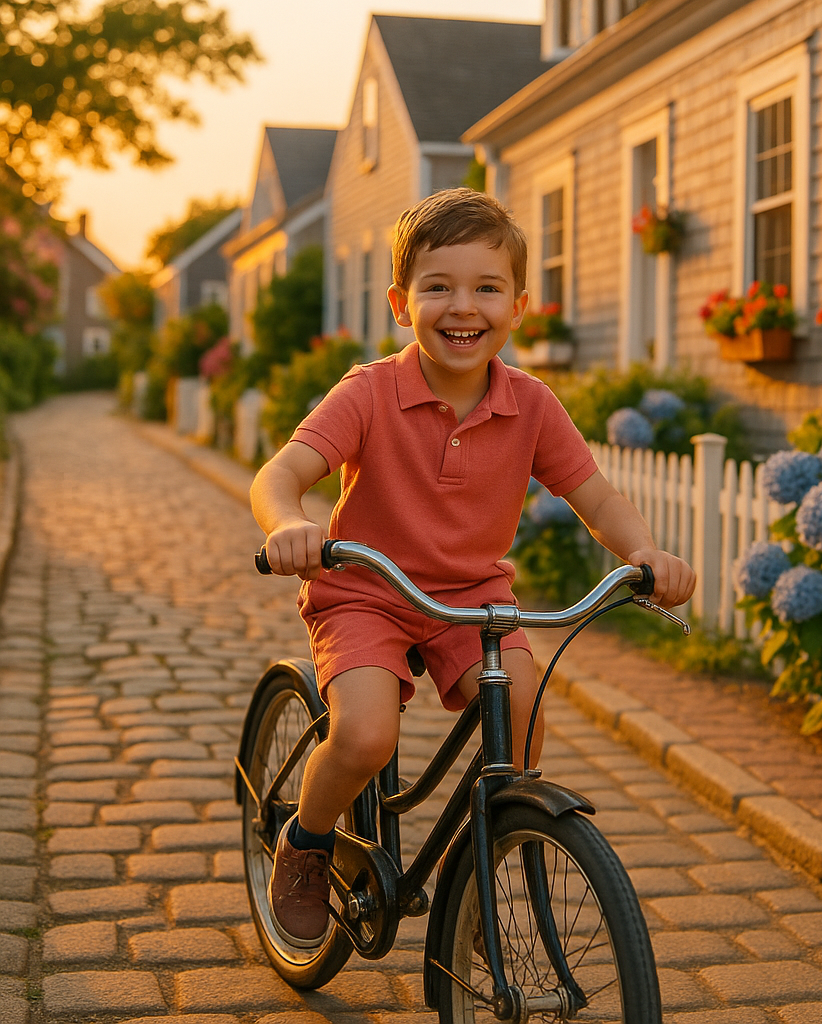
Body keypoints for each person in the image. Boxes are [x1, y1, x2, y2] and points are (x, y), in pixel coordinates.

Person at [250, 187, 696, 945]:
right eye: (438, 287)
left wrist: (643, 552)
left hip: (472, 597)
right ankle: (307, 840)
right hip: (367, 590)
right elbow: (280, 474)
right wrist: (291, 523)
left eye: (487, 288)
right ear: (401, 304)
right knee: (365, 735)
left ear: (518, 307)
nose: (463, 307)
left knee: (522, 716)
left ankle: (481, 878)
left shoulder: (533, 404)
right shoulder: (369, 392)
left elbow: (595, 495)